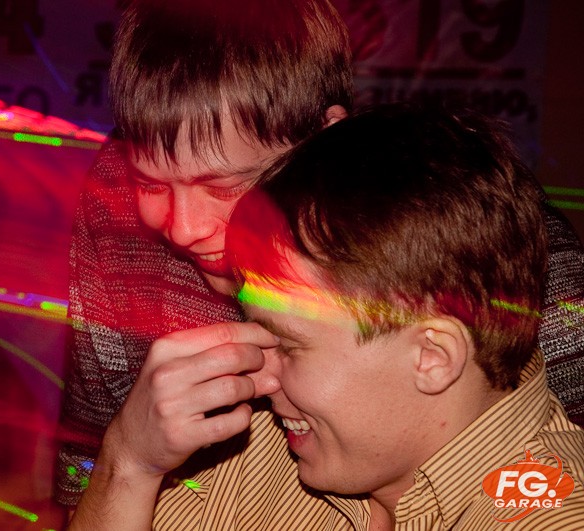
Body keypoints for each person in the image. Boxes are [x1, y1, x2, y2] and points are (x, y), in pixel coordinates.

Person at [56, 0, 584, 513]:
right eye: (151, 183)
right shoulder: (114, 210)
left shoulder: (474, 243)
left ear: (325, 138)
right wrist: (123, 459)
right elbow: (88, 469)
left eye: (225, 186)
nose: (184, 228)